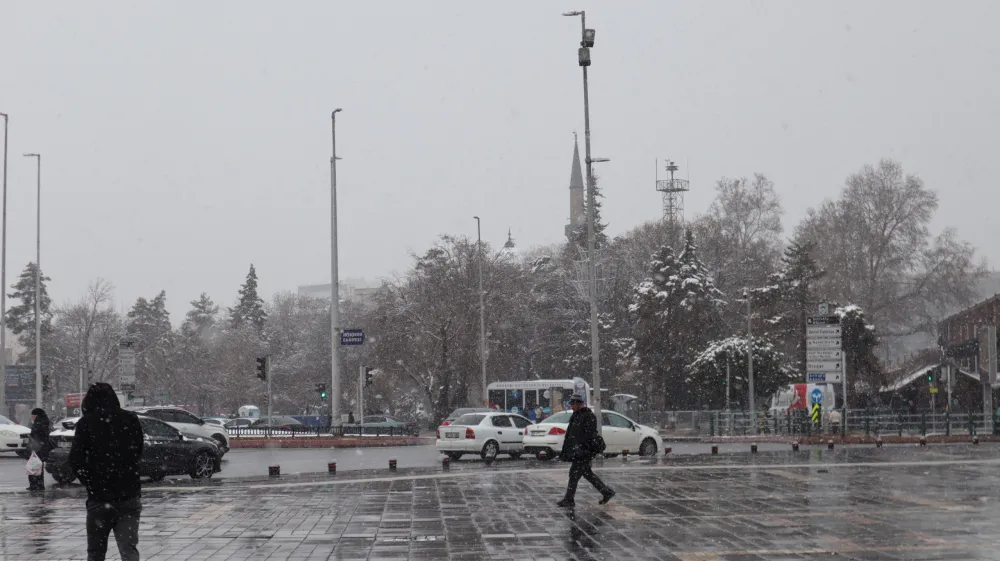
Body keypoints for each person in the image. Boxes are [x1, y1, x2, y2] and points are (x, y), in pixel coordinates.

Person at [70, 382, 144, 561]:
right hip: (128, 495)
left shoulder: (86, 423)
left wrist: (90, 481)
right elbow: (138, 452)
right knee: (129, 550)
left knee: (96, 552)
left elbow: (75, 460)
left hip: (99, 498)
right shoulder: (130, 419)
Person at [557, 394, 615, 507]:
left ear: (580, 404)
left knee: (574, 474)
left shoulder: (588, 416)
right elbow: (572, 434)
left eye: (574, 404)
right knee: (587, 474)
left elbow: (590, 435)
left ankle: (569, 499)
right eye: (571, 404)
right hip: (577, 451)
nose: (572, 406)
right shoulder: (575, 416)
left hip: (583, 452)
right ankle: (607, 492)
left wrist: (584, 449)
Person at [27, 408, 52, 491]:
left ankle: (37, 485)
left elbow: (43, 435)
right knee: (35, 466)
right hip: (37, 447)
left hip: (40, 448)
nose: (32, 417)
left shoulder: (42, 423)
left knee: (37, 466)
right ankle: (35, 485)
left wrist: (36, 440)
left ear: (37, 416)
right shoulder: (39, 422)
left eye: (33, 416)